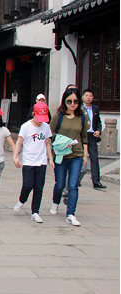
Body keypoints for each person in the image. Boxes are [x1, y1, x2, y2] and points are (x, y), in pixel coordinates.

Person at [49, 87, 88, 227]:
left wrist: (85, 154)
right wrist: (61, 141)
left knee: (73, 186)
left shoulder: (82, 116)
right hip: (61, 155)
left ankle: (70, 214)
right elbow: (50, 132)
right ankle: (55, 202)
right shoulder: (58, 116)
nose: (72, 104)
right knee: (59, 184)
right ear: (64, 101)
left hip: (76, 154)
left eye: (75, 101)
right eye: (69, 101)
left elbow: (84, 136)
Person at [12, 102, 55, 223]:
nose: (41, 121)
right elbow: (19, 142)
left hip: (41, 161)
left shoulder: (46, 127)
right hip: (29, 161)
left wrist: (50, 158)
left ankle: (35, 212)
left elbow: (47, 143)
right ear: (33, 114)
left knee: (39, 188)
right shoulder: (26, 126)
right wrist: (15, 157)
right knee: (28, 185)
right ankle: (21, 201)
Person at [80, 89, 106, 189]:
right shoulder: (80, 108)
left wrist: (99, 130)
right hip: (82, 135)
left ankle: (96, 182)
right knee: (80, 158)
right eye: (86, 95)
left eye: (90, 96)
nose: (88, 97)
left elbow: (98, 121)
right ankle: (77, 180)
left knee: (94, 159)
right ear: (82, 97)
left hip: (92, 136)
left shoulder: (95, 109)